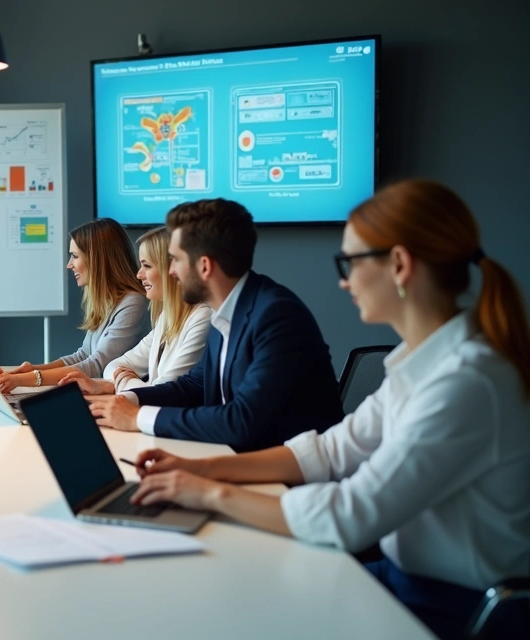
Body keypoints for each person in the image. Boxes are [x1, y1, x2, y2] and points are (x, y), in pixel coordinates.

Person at [127, 180, 530, 640]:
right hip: (407, 581)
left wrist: (206, 493)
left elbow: (351, 515)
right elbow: (331, 451)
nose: (343, 280)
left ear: (398, 265)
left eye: (350, 262)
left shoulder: (465, 381)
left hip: (453, 610)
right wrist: (203, 470)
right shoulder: (424, 364)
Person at [87, 198, 342, 451]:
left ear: (204, 266)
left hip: (285, 479)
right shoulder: (228, 311)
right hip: (237, 458)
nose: (171, 271)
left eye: (175, 260)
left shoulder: (277, 316)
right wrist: (126, 401)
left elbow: (241, 421)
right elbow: (193, 386)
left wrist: (136, 417)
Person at [0, 219, 148, 391]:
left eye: (75, 256)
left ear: (97, 260)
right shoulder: (108, 300)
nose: (69, 264)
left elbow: (97, 365)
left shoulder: (133, 302)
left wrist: (23, 380)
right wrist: (29, 371)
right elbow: (83, 355)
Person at [59, 226, 211, 395]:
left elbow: (163, 391)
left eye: (147, 266)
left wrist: (122, 383)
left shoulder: (202, 318)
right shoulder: (166, 318)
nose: (139, 275)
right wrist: (125, 384)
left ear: (171, 270)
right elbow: (113, 366)